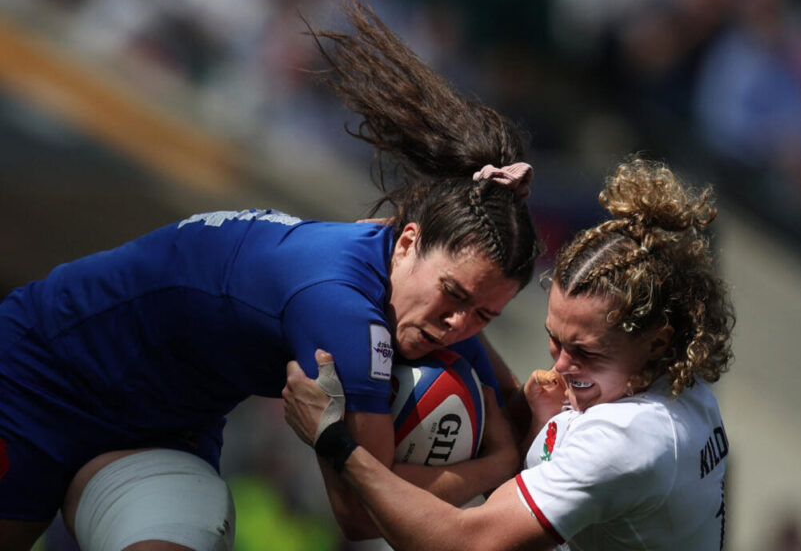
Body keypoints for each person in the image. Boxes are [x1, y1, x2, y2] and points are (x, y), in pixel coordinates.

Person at [0, 0, 540, 550]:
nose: (460, 326)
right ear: (406, 242)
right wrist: (500, 463)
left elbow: (510, 396)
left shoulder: (412, 289)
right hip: (42, 377)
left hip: (164, 435)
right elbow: (361, 514)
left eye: (485, 314)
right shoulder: (341, 310)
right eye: (454, 296)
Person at [284, 156, 736, 550]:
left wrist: (335, 440)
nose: (560, 365)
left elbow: (459, 542)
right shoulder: (675, 385)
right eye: (555, 339)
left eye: (585, 352)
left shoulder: (632, 438)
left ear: (657, 340)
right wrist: (411, 271)